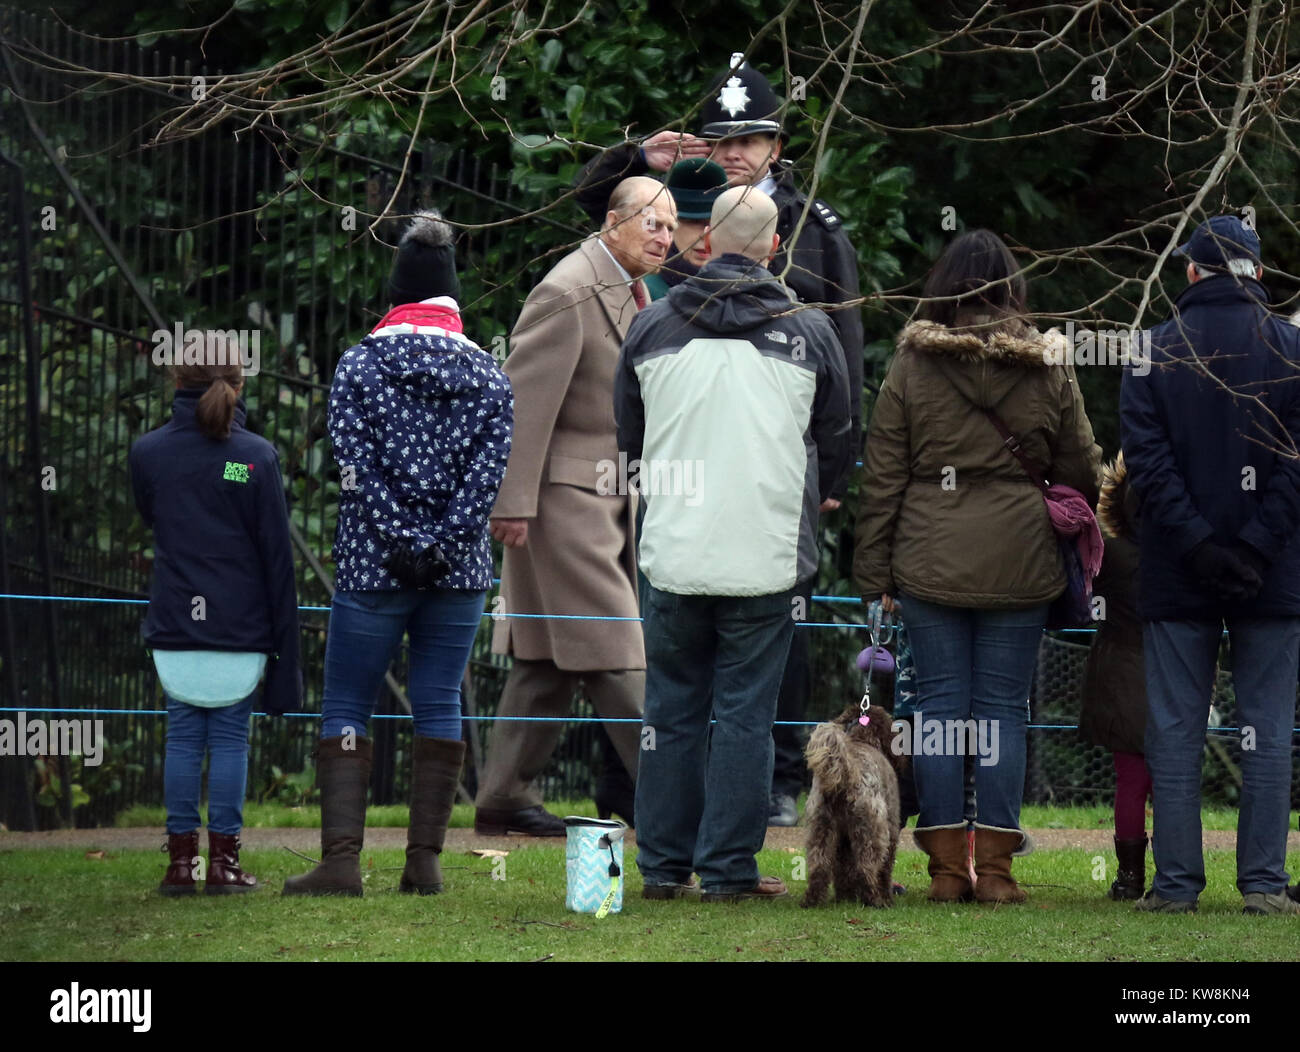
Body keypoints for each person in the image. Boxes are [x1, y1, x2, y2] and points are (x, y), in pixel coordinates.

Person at [574, 55, 866, 827]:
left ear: (776, 146)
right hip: (683, 455)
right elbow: (589, 213)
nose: (734, 150)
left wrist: (828, 469)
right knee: (668, 653)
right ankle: (639, 799)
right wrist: (639, 157)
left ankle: (769, 781)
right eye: (720, 137)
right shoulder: (670, 201)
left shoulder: (813, 226)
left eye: (751, 138)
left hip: (773, 460)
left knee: (775, 637)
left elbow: (843, 347)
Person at [616, 186, 852, 901]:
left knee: (670, 714)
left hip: (674, 552)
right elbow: (838, 438)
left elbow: (630, 436)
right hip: (768, 553)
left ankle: (661, 867)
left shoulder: (652, 325)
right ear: (775, 247)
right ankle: (727, 871)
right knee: (747, 717)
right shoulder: (810, 330)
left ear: (704, 242)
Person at [854, 229, 1101, 904]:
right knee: (1000, 713)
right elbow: (1080, 464)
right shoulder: (1049, 360)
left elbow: (883, 475)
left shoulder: (912, 364)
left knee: (936, 712)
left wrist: (873, 572)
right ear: (1013, 287)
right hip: (1020, 560)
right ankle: (993, 872)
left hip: (929, 556)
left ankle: (941, 873)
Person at [284, 210, 512, 896]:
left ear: (395, 292)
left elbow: (354, 468)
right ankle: (425, 862)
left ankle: (342, 861)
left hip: (370, 564)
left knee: (348, 702)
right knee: (439, 698)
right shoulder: (490, 376)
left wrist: (398, 541)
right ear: (451, 295)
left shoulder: (359, 365)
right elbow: (487, 476)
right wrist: (442, 545)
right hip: (459, 571)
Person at [474, 177, 677, 836]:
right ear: (614, 221)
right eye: (651, 222)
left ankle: (502, 797)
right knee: (618, 652)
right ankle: (681, 806)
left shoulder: (622, 284)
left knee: (546, 660)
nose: (664, 236)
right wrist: (512, 502)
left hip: (602, 499)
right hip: (561, 505)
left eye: (672, 227)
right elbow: (522, 404)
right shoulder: (568, 289)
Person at [1120, 214, 1300, 915]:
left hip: (1177, 567)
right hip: (1275, 568)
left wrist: (1198, 544)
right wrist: (1255, 545)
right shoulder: (1290, 350)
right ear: (1257, 273)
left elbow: (1150, 469)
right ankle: (1261, 882)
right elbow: (1294, 469)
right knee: (1268, 728)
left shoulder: (1150, 353)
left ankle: (1175, 885)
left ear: (1190, 273)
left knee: (1174, 729)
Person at [130, 347, 302, 896]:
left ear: (177, 381)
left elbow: (151, 514)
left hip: (177, 617)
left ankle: (181, 865)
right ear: (240, 385)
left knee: (182, 738)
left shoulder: (148, 452)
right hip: (240, 624)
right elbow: (276, 554)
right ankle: (225, 865)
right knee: (230, 740)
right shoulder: (254, 458)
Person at [1078, 453, 1152, 900]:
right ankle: (1177, 874)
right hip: (1174, 676)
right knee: (1172, 780)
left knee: (1130, 779)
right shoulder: (1183, 560)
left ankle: (1129, 879)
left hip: (1119, 678)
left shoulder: (1110, 556)